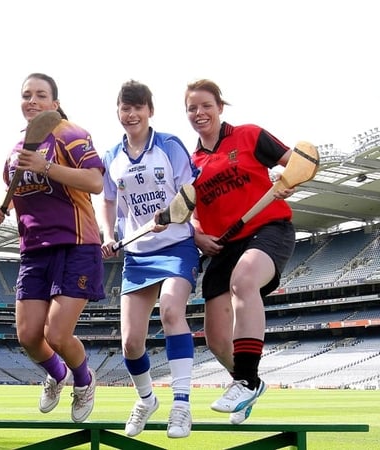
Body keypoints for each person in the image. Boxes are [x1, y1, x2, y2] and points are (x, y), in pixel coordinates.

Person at [0, 73, 104, 423]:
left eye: (41, 95)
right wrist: (2, 208)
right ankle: (58, 374)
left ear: (54, 103)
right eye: (27, 95)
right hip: (34, 251)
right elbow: (21, 192)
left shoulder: (70, 133)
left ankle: (84, 381)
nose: (33, 101)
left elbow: (96, 181)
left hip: (75, 244)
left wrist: (47, 166)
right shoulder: (15, 149)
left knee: (56, 334)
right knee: (27, 336)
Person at [184, 79, 296, 425]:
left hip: (268, 230)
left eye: (206, 105)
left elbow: (298, 163)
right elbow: (190, 215)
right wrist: (198, 236)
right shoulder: (191, 164)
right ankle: (251, 384)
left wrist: (289, 179)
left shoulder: (249, 135)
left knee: (244, 281)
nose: (199, 113)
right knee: (218, 340)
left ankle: (245, 380)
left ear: (220, 106)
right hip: (222, 247)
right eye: (192, 108)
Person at [100, 80, 199, 438]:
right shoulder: (112, 158)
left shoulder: (170, 147)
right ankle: (146, 399)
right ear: (118, 112)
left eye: (137, 108)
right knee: (130, 342)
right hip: (138, 254)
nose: (131, 115)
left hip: (176, 247)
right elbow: (109, 201)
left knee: (172, 310)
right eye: (125, 108)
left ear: (149, 111)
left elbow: (190, 194)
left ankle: (182, 405)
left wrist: (174, 217)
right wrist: (109, 236)